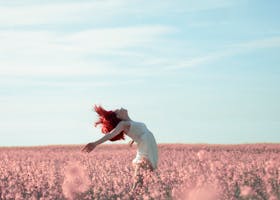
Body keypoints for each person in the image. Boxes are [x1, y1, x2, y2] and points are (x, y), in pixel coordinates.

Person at [81, 105, 158, 191]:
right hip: (146, 149)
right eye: (117, 111)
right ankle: (133, 195)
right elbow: (111, 134)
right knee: (138, 181)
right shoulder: (123, 124)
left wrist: (134, 139)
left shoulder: (131, 123)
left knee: (144, 181)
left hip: (149, 147)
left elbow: (139, 132)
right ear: (118, 117)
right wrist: (95, 143)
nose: (120, 108)